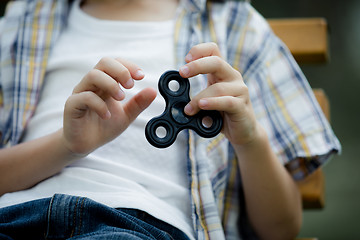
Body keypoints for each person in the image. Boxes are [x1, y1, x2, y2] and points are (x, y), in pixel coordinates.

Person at [0, 0, 340, 239]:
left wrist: (249, 139)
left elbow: (281, 228)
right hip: (14, 216)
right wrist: (67, 145)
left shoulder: (234, 24)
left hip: (140, 224)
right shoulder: (26, 18)